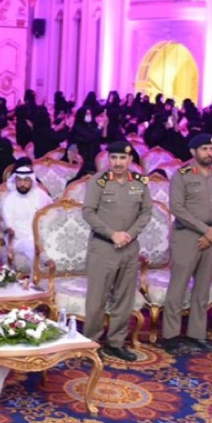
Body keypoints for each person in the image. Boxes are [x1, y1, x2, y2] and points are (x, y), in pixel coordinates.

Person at [162, 134, 212, 354]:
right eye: (204, 149)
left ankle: (196, 334)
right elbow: (177, 208)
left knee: (203, 288)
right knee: (178, 287)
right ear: (193, 152)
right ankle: (171, 336)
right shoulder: (182, 175)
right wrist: (206, 230)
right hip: (188, 235)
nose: (209, 153)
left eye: (210, 149)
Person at [82, 140, 152, 362]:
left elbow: (146, 212)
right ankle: (91, 343)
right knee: (97, 299)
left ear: (130, 160)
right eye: (114, 157)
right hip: (104, 246)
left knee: (124, 298)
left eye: (123, 158)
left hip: (130, 247)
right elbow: (88, 212)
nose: (118, 162)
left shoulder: (140, 182)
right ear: (108, 159)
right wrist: (113, 234)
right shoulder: (98, 181)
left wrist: (129, 234)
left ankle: (116, 343)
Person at [0, 158, 54, 276]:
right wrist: (33, 238)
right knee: (31, 246)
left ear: (32, 181)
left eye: (26, 180)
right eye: (19, 180)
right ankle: (35, 279)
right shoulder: (9, 200)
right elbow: (10, 227)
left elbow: (52, 209)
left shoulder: (40, 195)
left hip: (40, 236)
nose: (22, 184)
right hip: (19, 239)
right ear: (15, 181)